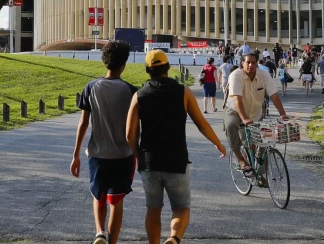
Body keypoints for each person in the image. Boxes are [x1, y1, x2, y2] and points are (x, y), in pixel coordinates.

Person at [126, 50, 226, 244]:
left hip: (149, 162)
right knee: (180, 208)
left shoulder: (139, 96)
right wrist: (219, 144)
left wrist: (138, 155)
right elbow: (201, 124)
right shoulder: (183, 91)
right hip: (176, 160)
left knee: (153, 209)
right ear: (168, 67)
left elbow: (130, 134)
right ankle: (174, 238)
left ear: (148, 70)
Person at [70, 40, 137, 244]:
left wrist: (75, 155)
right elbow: (136, 128)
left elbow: (83, 123)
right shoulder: (131, 91)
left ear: (104, 61)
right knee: (115, 200)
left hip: (97, 154)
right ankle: (112, 241)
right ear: (124, 64)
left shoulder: (91, 87)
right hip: (123, 155)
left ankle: (99, 232)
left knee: (98, 196)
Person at [224, 53, 290, 180]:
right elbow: (237, 99)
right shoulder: (235, 76)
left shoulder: (264, 75)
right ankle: (240, 159)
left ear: (257, 63)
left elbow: (274, 95)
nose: (251, 65)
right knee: (231, 125)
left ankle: (259, 174)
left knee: (261, 140)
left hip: (255, 113)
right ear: (242, 63)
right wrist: (244, 119)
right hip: (235, 110)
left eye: (254, 62)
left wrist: (283, 114)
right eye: (248, 62)